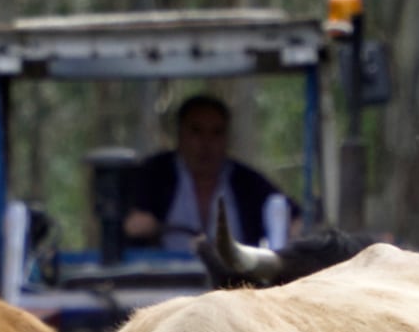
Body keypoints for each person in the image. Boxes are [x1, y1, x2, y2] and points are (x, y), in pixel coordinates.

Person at [114, 94, 291, 251]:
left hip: (235, 283)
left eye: (216, 133)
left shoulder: (246, 182)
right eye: (196, 131)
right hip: (161, 282)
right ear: (180, 134)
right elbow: (119, 224)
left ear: (227, 138)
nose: (206, 143)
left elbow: (287, 212)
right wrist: (134, 226)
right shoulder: (152, 174)